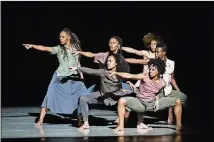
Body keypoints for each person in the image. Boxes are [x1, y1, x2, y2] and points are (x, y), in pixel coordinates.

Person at [23, 28, 88, 127]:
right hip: (59, 77)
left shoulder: (76, 48)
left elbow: (77, 62)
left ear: (69, 37)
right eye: (60, 37)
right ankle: (40, 120)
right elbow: (45, 48)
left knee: (79, 97)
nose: (60, 39)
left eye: (63, 37)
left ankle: (79, 120)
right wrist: (33, 46)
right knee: (49, 95)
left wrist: (81, 75)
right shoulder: (59, 49)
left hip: (73, 77)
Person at [108, 58, 183, 132]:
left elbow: (156, 92)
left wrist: (157, 101)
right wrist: (116, 73)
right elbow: (129, 75)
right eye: (150, 69)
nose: (150, 71)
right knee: (121, 101)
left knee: (177, 101)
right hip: (140, 104)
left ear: (159, 71)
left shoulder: (163, 83)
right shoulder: (144, 76)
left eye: (153, 70)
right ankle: (121, 126)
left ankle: (179, 125)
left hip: (152, 104)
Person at [69, 53, 130, 130]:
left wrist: (121, 89)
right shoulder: (103, 72)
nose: (108, 62)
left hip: (114, 98)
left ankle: (124, 122)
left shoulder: (119, 73)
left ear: (116, 63)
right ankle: (85, 123)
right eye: (107, 61)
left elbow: (119, 83)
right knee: (83, 98)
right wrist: (77, 68)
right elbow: (90, 71)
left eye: (110, 61)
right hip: (102, 96)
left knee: (129, 96)